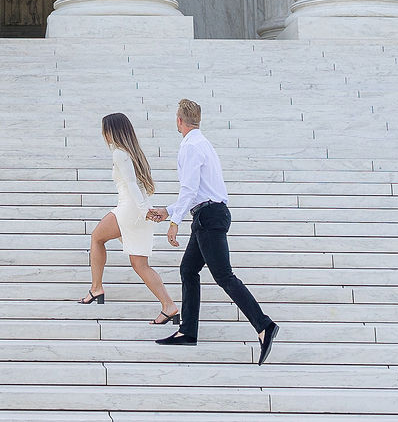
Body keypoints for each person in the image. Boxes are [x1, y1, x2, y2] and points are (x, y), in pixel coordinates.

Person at [147, 97, 279, 362]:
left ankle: (264, 325)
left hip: (208, 217)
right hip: (208, 214)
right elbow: (199, 192)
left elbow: (190, 189)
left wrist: (175, 222)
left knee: (224, 276)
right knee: (188, 270)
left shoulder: (190, 146)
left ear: (179, 120)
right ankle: (188, 331)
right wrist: (169, 211)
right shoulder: (203, 143)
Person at [78, 112, 182, 326]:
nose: (103, 135)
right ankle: (169, 306)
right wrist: (147, 210)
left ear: (112, 132)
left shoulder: (119, 153)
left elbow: (133, 185)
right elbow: (140, 186)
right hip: (137, 210)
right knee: (140, 264)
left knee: (97, 238)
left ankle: (96, 288)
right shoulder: (133, 153)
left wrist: (144, 210)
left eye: (105, 130)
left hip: (130, 209)